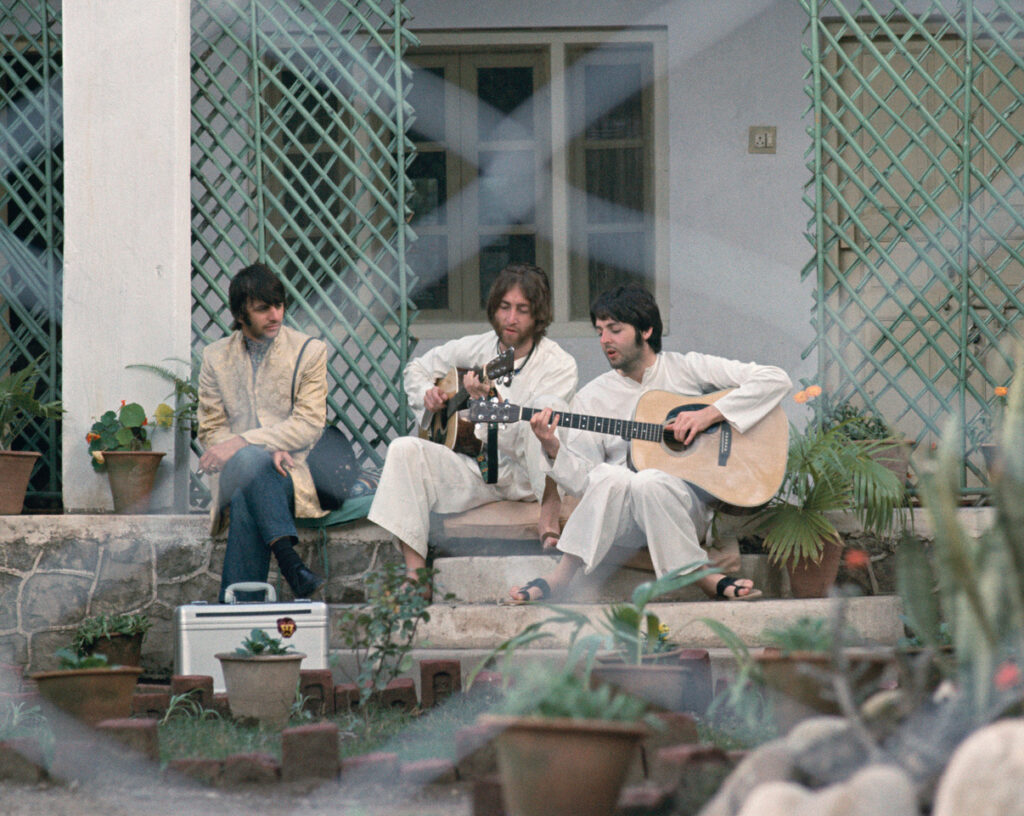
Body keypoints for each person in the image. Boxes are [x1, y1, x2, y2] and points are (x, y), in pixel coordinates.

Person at [509, 283, 791, 603]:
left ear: (646, 329)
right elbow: (584, 484)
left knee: (650, 481)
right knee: (614, 476)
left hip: (681, 510)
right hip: (620, 517)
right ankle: (702, 576)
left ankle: (565, 577)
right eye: (600, 331)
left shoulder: (686, 368)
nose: (605, 341)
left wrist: (709, 415)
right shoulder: (592, 397)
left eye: (614, 330)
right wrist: (551, 446)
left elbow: (775, 379)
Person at [367, 263, 578, 597]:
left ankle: (547, 520)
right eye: (505, 308)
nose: (511, 319)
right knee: (404, 449)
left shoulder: (558, 364)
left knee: (548, 408)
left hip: (525, 475)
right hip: (479, 469)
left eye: (522, 310)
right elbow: (417, 367)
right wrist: (429, 395)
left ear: (539, 315)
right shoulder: (477, 347)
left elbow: (522, 437)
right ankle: (415, 576)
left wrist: (489, 399)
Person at [198, 262, 328, 602]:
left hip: (290, 472)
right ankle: (289, 562)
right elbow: (211, 429)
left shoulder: (309, 351)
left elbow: (309, 423)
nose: (275, 315)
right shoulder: (214, 358)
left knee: (245, 500)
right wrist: (259, 449)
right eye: (262, 308)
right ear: (241, 314)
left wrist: (246, 442)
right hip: (234, 470)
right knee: (250, 461)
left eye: (279, 305)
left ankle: (240, 612)